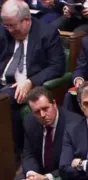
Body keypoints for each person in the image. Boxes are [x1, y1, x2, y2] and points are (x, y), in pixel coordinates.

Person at [0, 0, 65, 161]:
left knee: (5, 100)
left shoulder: (47, 33)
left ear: (27, 20)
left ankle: (12, 155)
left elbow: (57, 66)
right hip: (3, 83)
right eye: (6, 25)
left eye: (13, 25)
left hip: (26, 86)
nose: (10, 30)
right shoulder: (4, 32)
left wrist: (30, 81)